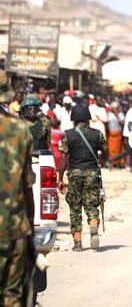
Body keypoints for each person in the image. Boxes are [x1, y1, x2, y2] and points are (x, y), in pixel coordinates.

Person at [0, 69, 36, 307]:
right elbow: (27, 186)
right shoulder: (20, 130)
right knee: (12, 297)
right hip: (12, 229)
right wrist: (31, 229)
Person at [58, 104, 107, 251]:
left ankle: (78, 243)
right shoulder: (97, 134)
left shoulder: (68, 135)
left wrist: (60, 178)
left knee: (75, 208)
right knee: (91, 204)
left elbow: (64, 158)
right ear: (88, 118)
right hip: (92, 173)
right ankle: (93, 225)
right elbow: (104, 152)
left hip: (74, 173)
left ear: (73, 118)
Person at [107, 102, 125, 167]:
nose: (115, 109)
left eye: (117, 108)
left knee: (118, 148)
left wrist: (117, 116)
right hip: (111, 134)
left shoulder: (121, 114)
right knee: (112, 148)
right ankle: (112, 162)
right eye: (114, 108)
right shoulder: (109, 114)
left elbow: (123, 123)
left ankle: (118, 162)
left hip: (118, 133)